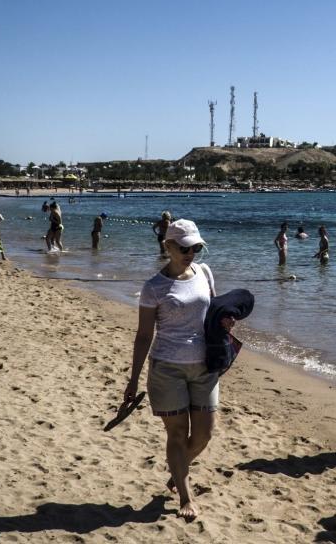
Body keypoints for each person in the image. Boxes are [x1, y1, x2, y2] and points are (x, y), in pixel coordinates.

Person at [123, 219, 235, 522]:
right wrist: (133, 379)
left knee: (204, 435)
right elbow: (144, 335)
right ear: (168, 246)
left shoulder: (204, 272)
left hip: (205, 366)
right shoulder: (154, 288)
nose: (191, 253)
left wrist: (227, 323)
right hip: (167, 369)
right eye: (185, 248)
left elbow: (213, 313)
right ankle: (185, 495)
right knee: (176, 433)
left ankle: (177, 469)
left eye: (196, 247)